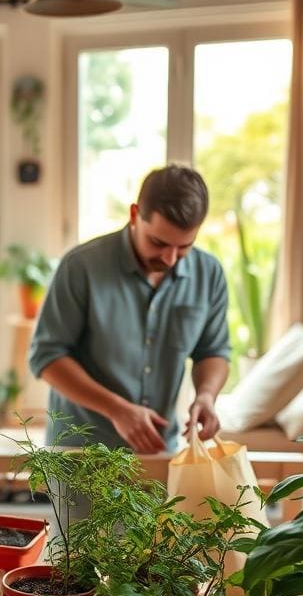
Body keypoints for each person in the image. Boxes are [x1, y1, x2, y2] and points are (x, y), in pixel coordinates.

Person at [29, 164, 230, 456]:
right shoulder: (81, 267)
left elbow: (213, 350)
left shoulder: (209, 273)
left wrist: (207, 396)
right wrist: (117, 410)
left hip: (159, 450)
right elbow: (47, 357)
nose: (171, 258)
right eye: (158, 242)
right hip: (81, 454)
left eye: (184, 246)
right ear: (135, 214)